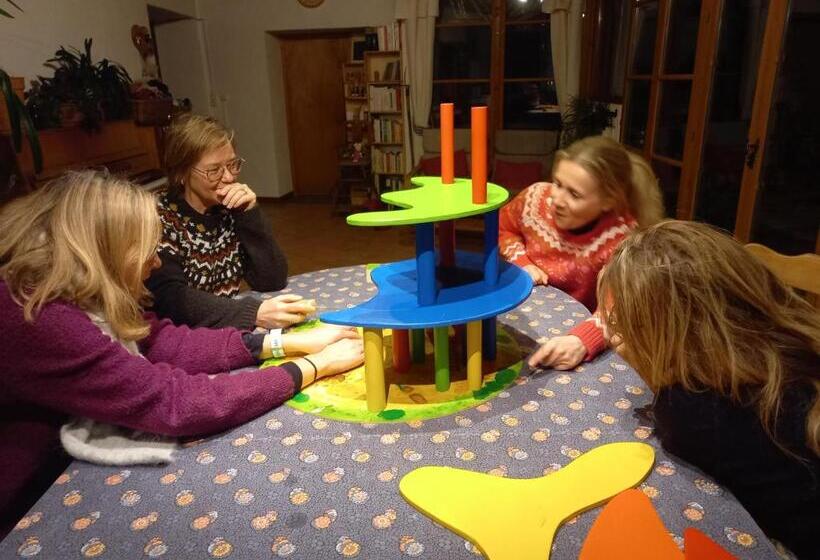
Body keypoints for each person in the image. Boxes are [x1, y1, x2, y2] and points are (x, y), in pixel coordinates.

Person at [0, 171, 364, 537]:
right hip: (25, 496)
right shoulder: (37, 314)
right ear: (101, 250)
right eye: (143, 249)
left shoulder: (69, 280)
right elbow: (172, 401)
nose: (156, 262)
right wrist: (314, 366)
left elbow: (157, 339)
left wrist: (282, 344)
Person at [591, 220, 819, 558]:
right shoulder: (786, 344)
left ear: (678, 339)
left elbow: (671, 414)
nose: (614, 335)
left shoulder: (695, 410)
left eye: (625, 323)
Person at [501, 135, 663, 370]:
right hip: (522, 312)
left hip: (573, 328)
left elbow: (617, 306)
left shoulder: (622, 238)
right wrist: (521, 260)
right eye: (557, 183)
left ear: (608, 201)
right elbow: (502, 228)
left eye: (574, 195)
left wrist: (582, 340)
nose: (556, 199)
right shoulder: (535, 197)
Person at [146, 113, 311, 330]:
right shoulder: (157, 218)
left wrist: (249, 214)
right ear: (181, 173)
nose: (229, 178)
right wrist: (254, 313)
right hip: (182, 338)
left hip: (222, 327)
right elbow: (171, 300)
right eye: (214, 170)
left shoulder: (229, 209)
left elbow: (272, 280)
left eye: (232, 165)